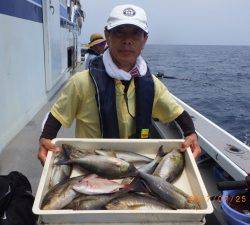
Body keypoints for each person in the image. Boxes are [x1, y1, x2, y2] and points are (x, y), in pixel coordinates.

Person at [38, 4, 201, 165]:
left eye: (135, 34)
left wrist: (191, 133)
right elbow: (57, 116)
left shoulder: (152, 85)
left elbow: (178, 113)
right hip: (90, 163)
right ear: (107, 35)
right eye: (119, 32)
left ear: (145, 39)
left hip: (134, 163)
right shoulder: (80, 82)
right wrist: (45, 138)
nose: (127, 40)